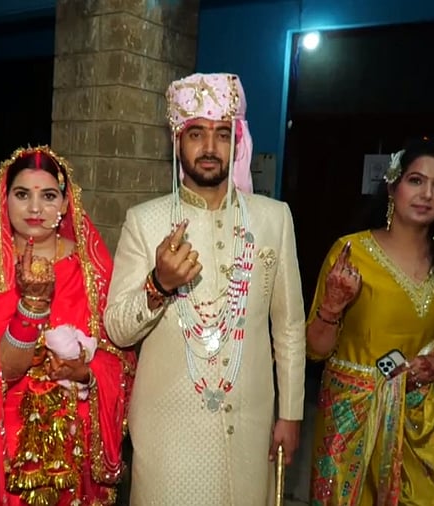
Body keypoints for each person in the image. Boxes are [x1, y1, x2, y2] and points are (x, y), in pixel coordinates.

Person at [104, 73, 307, 505]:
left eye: (221, 134)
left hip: (251, 423)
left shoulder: (274, 219)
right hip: (167, 427)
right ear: (177, 141)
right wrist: (158, 285)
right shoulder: (145, 221)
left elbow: (288, 327)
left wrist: (290, 413)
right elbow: (117, 329)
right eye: (196, 133)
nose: (210, 148)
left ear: (238, 140)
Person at [0, 146, 135, 506]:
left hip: (76, 434)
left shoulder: (90, 266)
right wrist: (31, 308)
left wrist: (85, 374)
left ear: (64, 204)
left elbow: (120, 357)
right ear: (4, 199)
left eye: (48, 196)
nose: (34, 208)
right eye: (22, 194)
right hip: (3, 440)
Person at [305, 137, 434, 505]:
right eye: (415, 180)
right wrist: (332, 304)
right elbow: (315, 349)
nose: (426, 194)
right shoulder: (351, 253)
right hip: (352, 420)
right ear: (393, 186)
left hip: (424, 426)